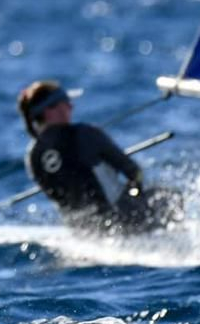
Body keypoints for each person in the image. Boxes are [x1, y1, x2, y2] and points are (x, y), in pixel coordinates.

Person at [16, 81, 178, 233]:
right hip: (123, 219)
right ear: (49, 111)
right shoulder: (84, 134)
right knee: (170, 196)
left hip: (84, 230)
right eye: (65, 102)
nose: (71, 106)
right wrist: (135, 191)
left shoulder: (33, 156)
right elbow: (134, 171)